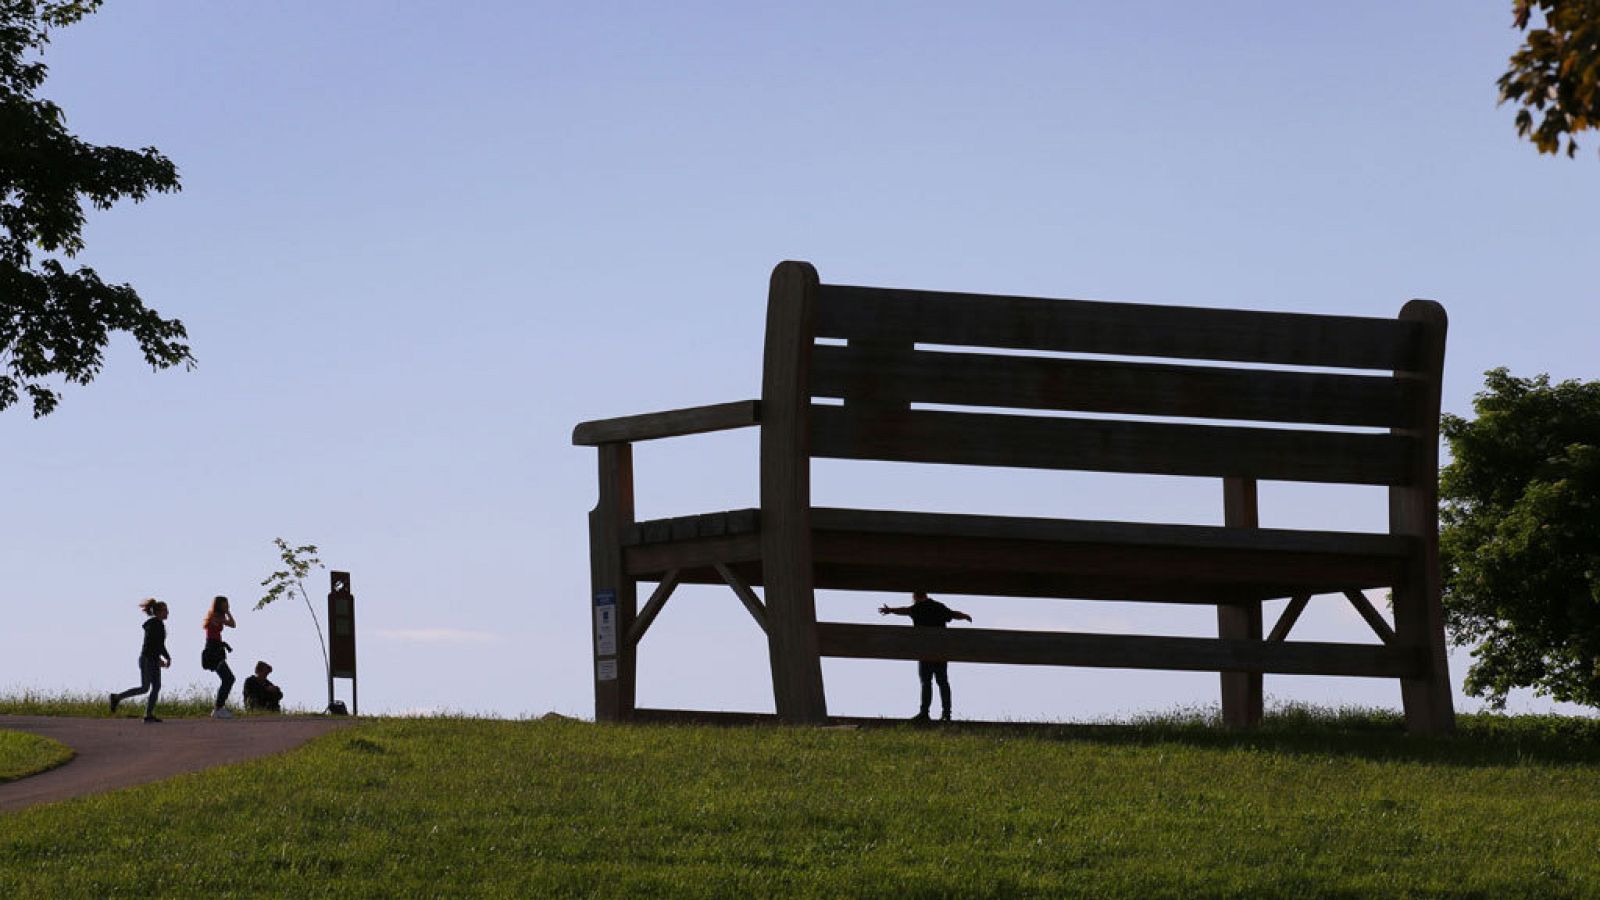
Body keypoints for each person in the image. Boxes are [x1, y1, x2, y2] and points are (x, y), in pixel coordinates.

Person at [878, 591, 972, 722]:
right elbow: (953, 614)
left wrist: (890, 610)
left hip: (924, 651)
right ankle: (946, 713)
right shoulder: (938, 606)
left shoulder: (917, 608)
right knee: (943, 682)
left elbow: (905, 610)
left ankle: (924, 713)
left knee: (926, 683)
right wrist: (965, 616)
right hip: (940, 651)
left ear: (915, 597)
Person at [110, 598, 171, 723]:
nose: (168, 613)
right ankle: (117, 697)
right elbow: (153, 644)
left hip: (152, 659)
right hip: (148, 659)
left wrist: (164, 657)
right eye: (165, 610)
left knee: (156, 686)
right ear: (158, 612)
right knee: (145, 687)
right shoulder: (155, 625)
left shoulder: (158, 624)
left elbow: (158, 644)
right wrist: (162, 658)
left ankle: (148, 715)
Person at [201, 595, 237, 718]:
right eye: (225, 604)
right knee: (228, 678)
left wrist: (227, 612)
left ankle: (219, 707)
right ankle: (218, 708)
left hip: (216, 649)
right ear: (219, 605)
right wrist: (226, 613)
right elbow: (230, 624)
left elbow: (233, 624)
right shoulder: (215, 616)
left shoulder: (219, 616)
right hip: (213, 650)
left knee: (228, 678)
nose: (227, 605)